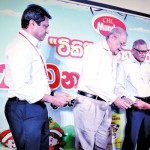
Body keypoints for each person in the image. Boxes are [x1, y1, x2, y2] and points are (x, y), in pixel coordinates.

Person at [4, 4, 71, 150]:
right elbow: (21, 87)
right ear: (32, 23)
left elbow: (33, 82)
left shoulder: (31, 46)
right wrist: (52, 99)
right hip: (24, 108)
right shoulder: (20, 46)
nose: (48, 31)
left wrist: (52, 93)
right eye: (45, 26)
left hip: (34, 107)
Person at [73, 27, 133, 150]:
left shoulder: (114, 56)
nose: (122, 47)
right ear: (112, 37)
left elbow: (111, 85)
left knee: (104, 145)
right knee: (85, 146)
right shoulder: (95, 50)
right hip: (89, 104)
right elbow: (90, 81)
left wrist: (125, 97)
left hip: (105, 104)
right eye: (121, 43)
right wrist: (115, 99)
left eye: (124, 44)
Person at [115, 39, 150, 150]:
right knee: (131, 137)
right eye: (140, 51)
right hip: (134, 103)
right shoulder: (125, 64)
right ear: (132, 51)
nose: (143, 54)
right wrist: (134, 100)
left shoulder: (148, 66)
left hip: (148, 103)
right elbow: (118, 87)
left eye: (146, 51)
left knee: (146, 137)